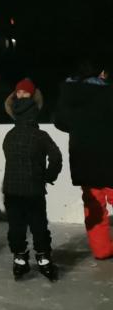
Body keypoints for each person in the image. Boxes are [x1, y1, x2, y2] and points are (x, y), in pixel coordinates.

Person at [1, 79, 62, 281]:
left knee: (16, 225)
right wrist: (48, 176)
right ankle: (43, 258)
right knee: (38, 225)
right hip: (34, 189)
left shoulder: (9, 136)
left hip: (11, 190)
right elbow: (56, 157)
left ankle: (19, 259)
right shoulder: (40, 136)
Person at [54, 61, 113, 260]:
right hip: (109, 154)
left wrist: (81, 127)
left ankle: (102, 250)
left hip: (83, 156)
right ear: (101, 73)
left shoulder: (70, 93)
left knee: (93, 205)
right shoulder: (108, 93)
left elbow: (60, 121)